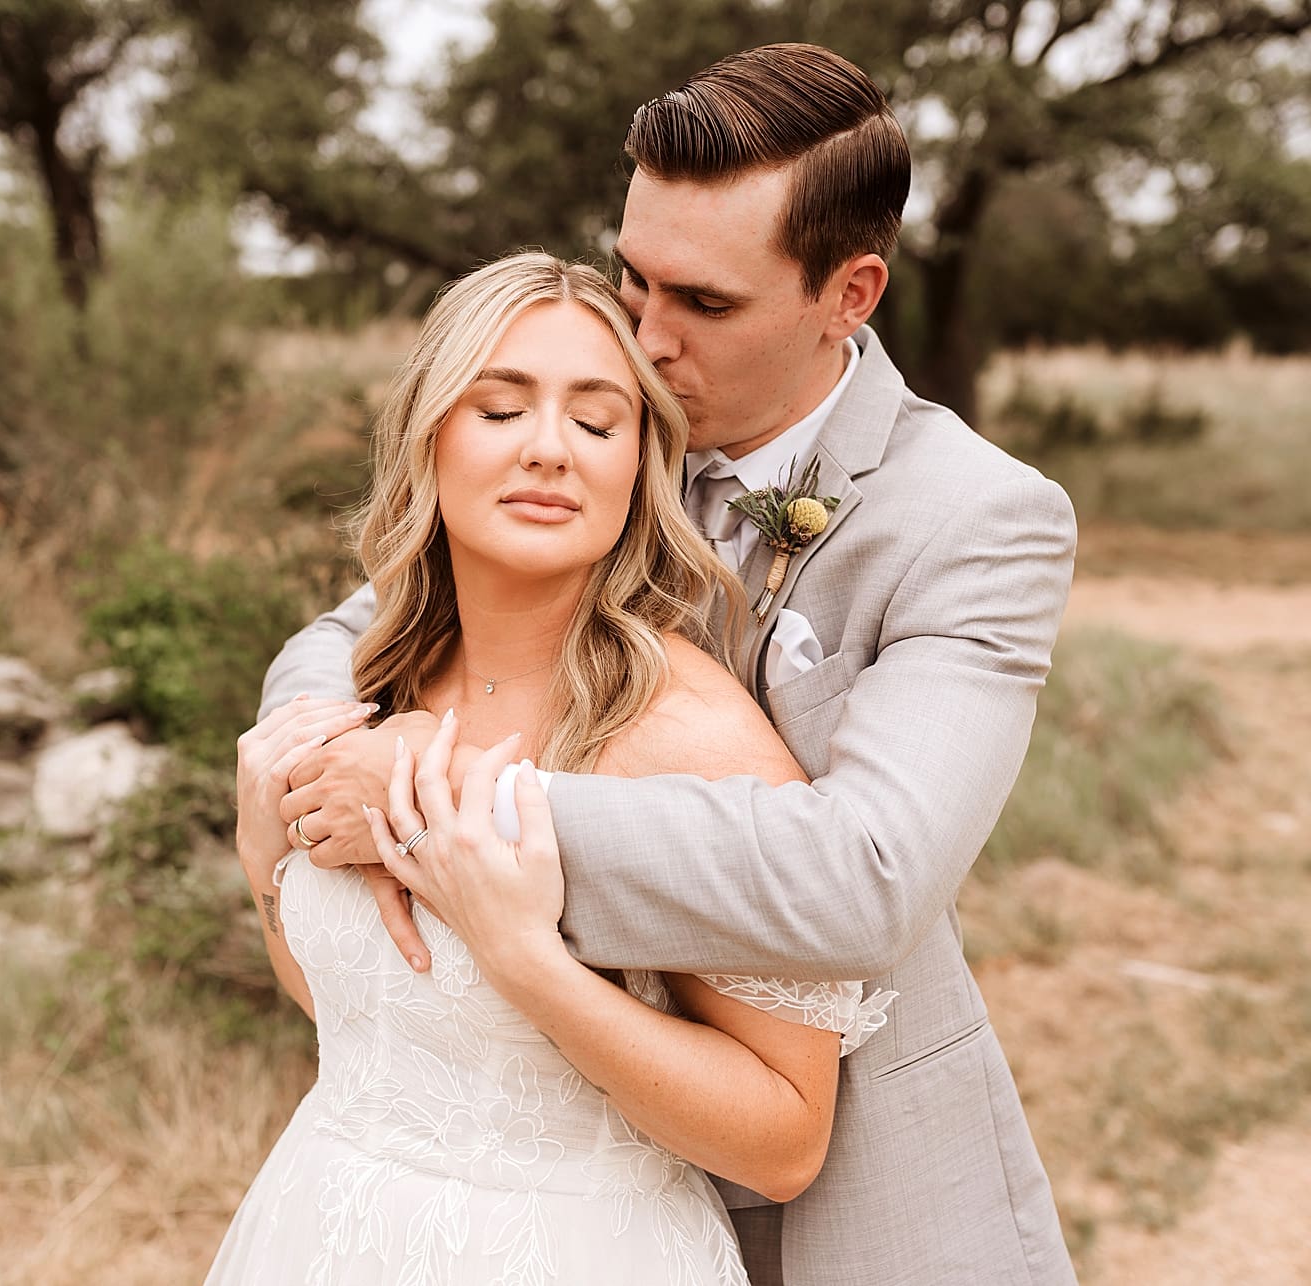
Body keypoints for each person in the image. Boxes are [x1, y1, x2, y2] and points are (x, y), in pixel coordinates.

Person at [257, 43, 1079, 1286]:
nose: (645, 337)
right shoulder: (592, 432)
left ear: (849, 294)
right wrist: (319, 753)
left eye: (704, 303)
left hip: (855, 1194)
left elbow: (869, 878)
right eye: (632, 278)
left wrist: (453, 809)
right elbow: (366, 621)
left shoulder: (976, 519)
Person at [212, 252, 894, 1285]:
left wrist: (528, 962)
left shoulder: (690, 737)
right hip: (328, 1223)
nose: (548, 449)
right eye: (500, 410)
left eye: (596, 422)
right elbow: (364, 1020)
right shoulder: (381, 686)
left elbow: (786, 1139)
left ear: (638, 467)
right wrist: (263, 859)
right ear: (428, 436)